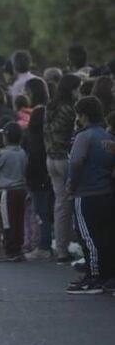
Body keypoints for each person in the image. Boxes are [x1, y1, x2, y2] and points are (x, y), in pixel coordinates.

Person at [65, 96, 115, 294]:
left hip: (85, 193)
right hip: (105, 192)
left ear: (83, 115)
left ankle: (94, 275)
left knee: (88, 237)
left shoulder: (84, 137)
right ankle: (106, 274)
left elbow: (76, 161)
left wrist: (71, 185)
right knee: (105, 236)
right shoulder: (107, 136)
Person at [44, 72, 82, 263]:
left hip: (51, 158)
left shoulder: (50, 106)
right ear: (72, 89)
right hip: (65, 158)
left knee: (60, 205)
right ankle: (75, 245)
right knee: (73, 204)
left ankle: (61, 249)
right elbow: (74, 134)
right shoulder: (70, 110)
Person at [22, 78, 54, 261]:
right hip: (44, 167)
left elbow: (34, 146)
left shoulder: (39, 112)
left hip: (38, 169)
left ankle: (43, 246)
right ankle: (43, 244)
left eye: (26, 92)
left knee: (41, 210)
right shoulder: (47, 110)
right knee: (44, 209)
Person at [0, 122, 28, 262]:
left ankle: (10, 251)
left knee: (8, 222)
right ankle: (18, 248)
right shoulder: (22, 152)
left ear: (6, 137)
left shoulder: (4, 153)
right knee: (19, 220)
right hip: (21, 189)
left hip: (7, 191)